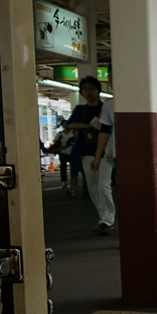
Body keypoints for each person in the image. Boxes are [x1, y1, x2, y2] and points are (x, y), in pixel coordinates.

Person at [67, 76, 113, 234]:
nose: (89, 92)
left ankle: (108, 219)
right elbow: (70, 124)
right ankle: (103, 217)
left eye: (92, 88)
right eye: (86, 89)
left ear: (98, 90)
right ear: (81, 92)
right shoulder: (80, 109)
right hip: (86, 151)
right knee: (93, 187)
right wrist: (90, 125)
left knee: (103, 185)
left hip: (106, 151)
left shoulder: (106, 107)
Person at [45, 121, 76, 194]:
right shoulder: (60, 134)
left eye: (66, 124)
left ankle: (73, 180)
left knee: (74, 167)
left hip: (72, 153)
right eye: (63, 125)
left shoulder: (73, 132)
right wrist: (53, 148)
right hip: (63, 153)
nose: (65, 126)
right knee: (63, 167)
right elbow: (55, 141)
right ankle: (64, 181)